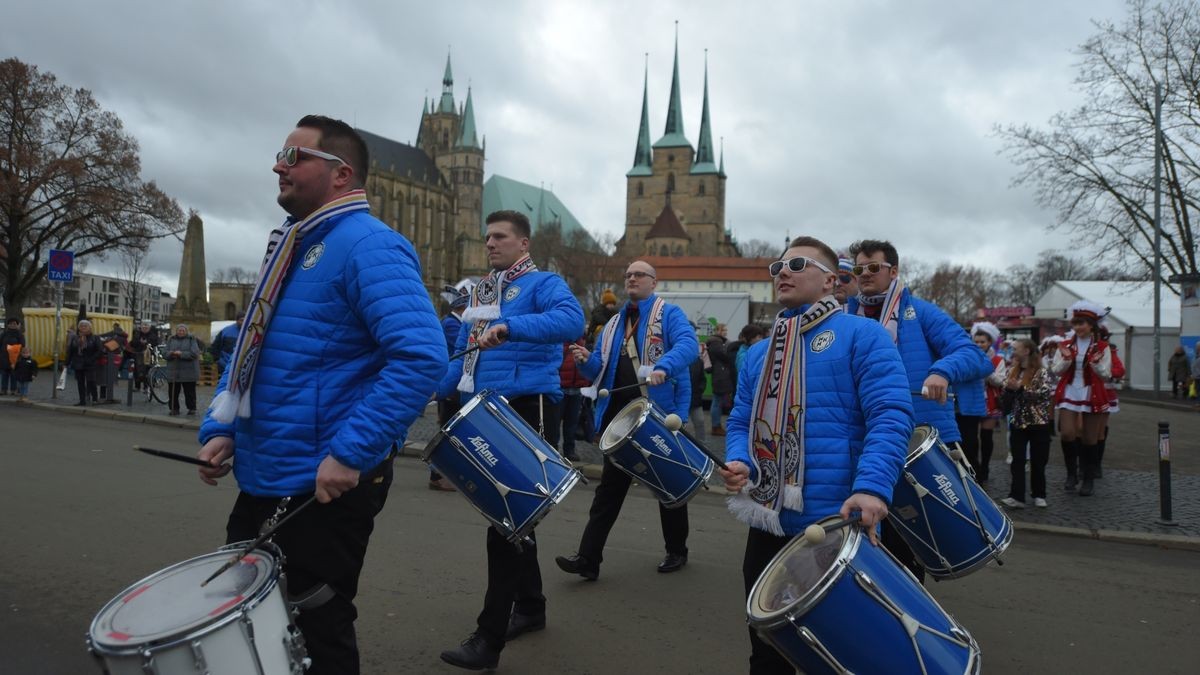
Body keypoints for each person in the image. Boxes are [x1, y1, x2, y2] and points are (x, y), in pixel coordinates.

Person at [197, 115, 447, 675]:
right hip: (268, 471)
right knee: (253, 622)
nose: (277, 165)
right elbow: (257, 350)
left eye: (293, 156)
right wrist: (222, 430)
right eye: (280, 154)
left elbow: (422, 356)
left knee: (316, 627)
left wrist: (352, 452)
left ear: (341, 174)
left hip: (321, 481)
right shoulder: (291, 244)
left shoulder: (371, 245)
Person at [720, 236, 914, 674]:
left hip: (834, 522)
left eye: (797, 264)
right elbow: (740, 424)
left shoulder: (863, 334)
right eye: (776, 268)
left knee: (837, 652)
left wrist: (871, 489)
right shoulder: (757, 353)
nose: (781, 272)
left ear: (830, 280)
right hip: (768, 521)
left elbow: (891, 414)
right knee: (767, 645)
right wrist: (741, 462)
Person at [435, 209, 583, 671]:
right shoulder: (480, 290)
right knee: (515, 520)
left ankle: (489, 638)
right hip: (484, 408)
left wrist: (513, 326)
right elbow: (460, 358)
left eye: (500, 237)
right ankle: (532, 606)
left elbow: (571, 321)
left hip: (528, 404)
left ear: (523, 244)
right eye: (488, 237)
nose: (490, 243)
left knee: (507, 519)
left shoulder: (544, 284)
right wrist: (417, 397)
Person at [847, 239, 993, 582]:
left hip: (913, 441)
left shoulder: (922, 312)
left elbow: (975, 356)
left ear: (893, 271)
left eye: (873, 268)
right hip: (860, 439)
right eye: (858, 269)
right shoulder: (846, 316)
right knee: (863, 537)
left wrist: (943, 371)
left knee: (906, 542)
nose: (864, 275)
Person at [555, 260, 698, 581]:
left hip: (657, 415)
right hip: (620, 420)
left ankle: (677, 549)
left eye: (639, 275)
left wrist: (665, 365)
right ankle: (588, 558)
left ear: (654, 282)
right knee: (608, 491)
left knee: (668, 485)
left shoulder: (669, 314)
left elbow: (689, 346)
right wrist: (586, 361)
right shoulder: (613, 323)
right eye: (628, 275)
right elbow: (599, 373)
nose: (632, 278)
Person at [1050, 300, 1113, 497]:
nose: (1078, 327)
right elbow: (1055, 370)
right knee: (1068, 433)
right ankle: (1071, 474)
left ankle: (1088, 477)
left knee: (1089, 437)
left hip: (1092, 392)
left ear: (1091, 325)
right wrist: (1067, 360)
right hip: (1070, 391)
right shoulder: (1065, 345)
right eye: (1075, 323)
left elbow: (1106, 375)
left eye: (1082, 323)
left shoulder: (1103, 347)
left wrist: (1095, 363)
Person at [1000, 338, 1053, 509]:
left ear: (1027, 351)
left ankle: (1039, 494)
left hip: (1039, 423)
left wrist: (1020, 389)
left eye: (1016, 348)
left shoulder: (1041, 372)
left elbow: (1044, 394)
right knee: (1018, 460)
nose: (1012, 351)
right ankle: (1017, 497)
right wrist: (1008, 390)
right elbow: (1005, 396)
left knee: (1038, 461)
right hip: (1018, 422)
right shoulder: (1012, 371)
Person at [955, 321, 1007, 482]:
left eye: (982, 342)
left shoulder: (998, 359)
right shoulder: (968, 356)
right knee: (971, 437)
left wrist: (986, 370)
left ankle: (985, 466)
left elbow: (1000, 381)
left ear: (990, 342)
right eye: (976, 342)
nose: (979, 345)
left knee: (986, 436)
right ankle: (974, 466)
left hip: (990, 400)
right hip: (971, 400)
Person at [431, 287, 471, 491]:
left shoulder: (455, 323)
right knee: (448, 431)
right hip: (451, 385)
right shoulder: (452, 324)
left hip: (454, 385)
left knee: (450, 430)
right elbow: (463, 350)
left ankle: (442, 474)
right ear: (463, 307)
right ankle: (437, 475)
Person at [551, 336, 590, 462]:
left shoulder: (582, 345)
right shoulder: (560, 344)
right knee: (555, 422)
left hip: (576, 390)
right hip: (561, 389)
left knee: (571, 423)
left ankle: (569, 450)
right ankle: (554, 449)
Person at [164, 323, 201, 415]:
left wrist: (181, 354)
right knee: (173, 392)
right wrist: (172, 353)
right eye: (179, 330)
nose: (181, 332)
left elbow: (194, 353)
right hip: (173, 371)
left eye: (183, 330)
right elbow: (164, 353)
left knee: (189, 391)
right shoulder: (171, 339)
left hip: (189, 371)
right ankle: (174, 408)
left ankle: (192, 408)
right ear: (176, 331)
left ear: (186, 331)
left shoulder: (191, 339)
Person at [707, 323, 734, 436]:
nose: (725, 332)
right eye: (723, 330)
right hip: (720, 375)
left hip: (719, 374)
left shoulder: (716, 342)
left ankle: (717, 425)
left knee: (717, 401)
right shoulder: (716, 342)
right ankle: (716, 426)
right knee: (717, 401)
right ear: (718, 330)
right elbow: (724, 355)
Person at [66, 319, 100, 406]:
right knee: (80, 383)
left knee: (91, 381)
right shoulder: (75, 338)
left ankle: (95, 398)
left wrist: (92, 359)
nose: (83, 327)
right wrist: (66, 363)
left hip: (90, 363)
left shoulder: (95, 338)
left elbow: (99, 351)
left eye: (85, 326)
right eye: (81, 326)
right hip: (78, 362)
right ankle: (82, 400)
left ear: (90, 328)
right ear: (78, 328)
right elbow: (71, 351)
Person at [209, 311, 245, 375]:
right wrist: (217, 360)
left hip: (242, 366)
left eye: (245, 320)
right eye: (241, 320)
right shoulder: (226, 331)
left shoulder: (250, 332)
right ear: (236, 320)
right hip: (225, 364)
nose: (243, 322)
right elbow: (215, 346)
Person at [127, 321, 161, 392]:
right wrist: (139, 342)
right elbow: (132, 343)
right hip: (138, 354)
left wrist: (147, 342)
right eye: (143, 326)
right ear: (141, 327)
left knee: (147, 371)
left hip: (148, 356)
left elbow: (156, 343)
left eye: (146, 327)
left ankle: (146, 387)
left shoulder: (153, 335)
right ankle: (137, 386)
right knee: (136, 371)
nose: (145, 328)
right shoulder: (137, 334)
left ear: (149, 327)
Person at [687, 339, 707, 441]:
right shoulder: (678, 360)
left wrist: (699, 390)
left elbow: (702, 379)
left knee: (700, 422)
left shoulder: (698, 361)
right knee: (681, 425)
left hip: (695, 398)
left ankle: (702, 445)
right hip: (681, 399)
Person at [2, 318, 25, 395]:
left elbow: (22, 345)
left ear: (17, 325)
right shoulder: (4, 333)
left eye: (14, 324)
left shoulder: (19, 335)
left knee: (13, 375)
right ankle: (3, 389)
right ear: (8, 325)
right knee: (4, 374)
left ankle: (13, 390)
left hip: (15, 358)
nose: (12, 325)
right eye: (11, 323)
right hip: (4, 357)